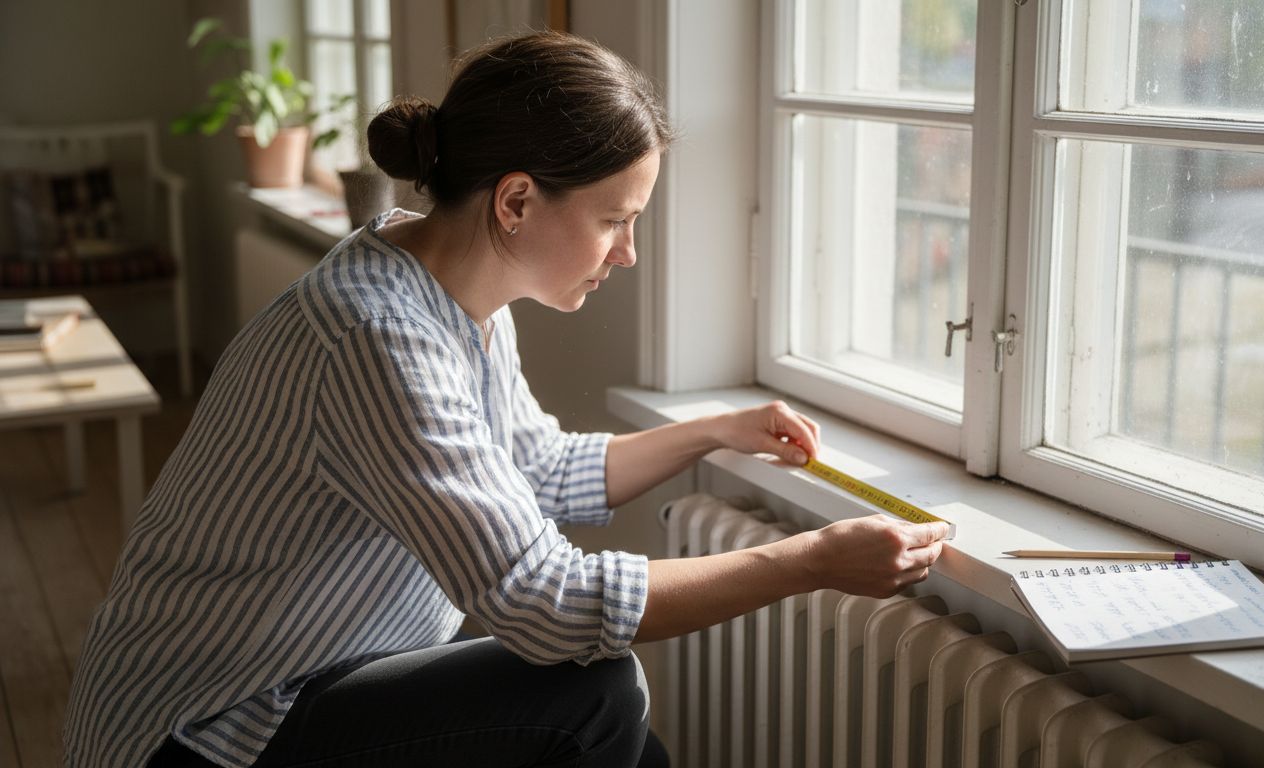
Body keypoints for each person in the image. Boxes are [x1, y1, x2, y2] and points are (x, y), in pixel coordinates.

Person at [64, 31, 949, 768]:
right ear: (517, 201)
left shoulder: (451, 292)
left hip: (312, 670)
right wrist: (808, 561)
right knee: (593, 691)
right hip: (208, 731)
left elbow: (536, 468)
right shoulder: (376, 335)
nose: (627, 253)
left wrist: (712, 432)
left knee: (633, 744)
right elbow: (541, 599)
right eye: (615, 220)